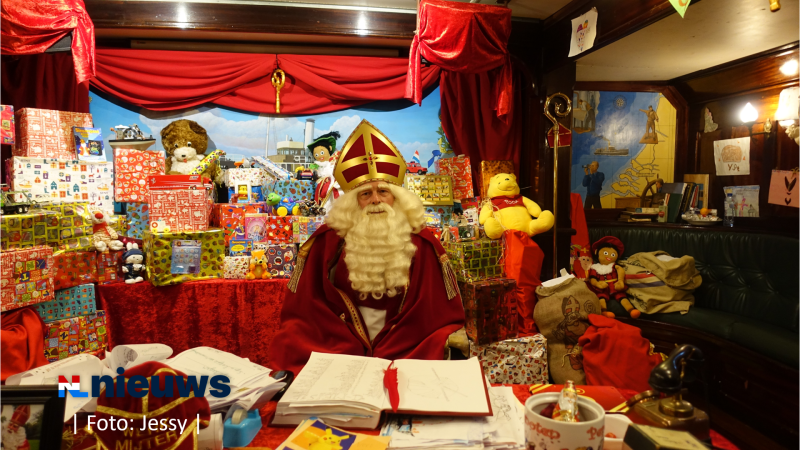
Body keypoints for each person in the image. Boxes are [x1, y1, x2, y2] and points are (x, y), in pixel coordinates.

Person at [269, 120, 466, 375]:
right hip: (338, 340)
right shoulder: (327, 241)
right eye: (365, 194)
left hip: (407, 341)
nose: (375, 200)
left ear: (396, 197)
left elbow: (436, 311)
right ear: (353, 202)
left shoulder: (422, 242)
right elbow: (306, 307)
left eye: (383, 191)